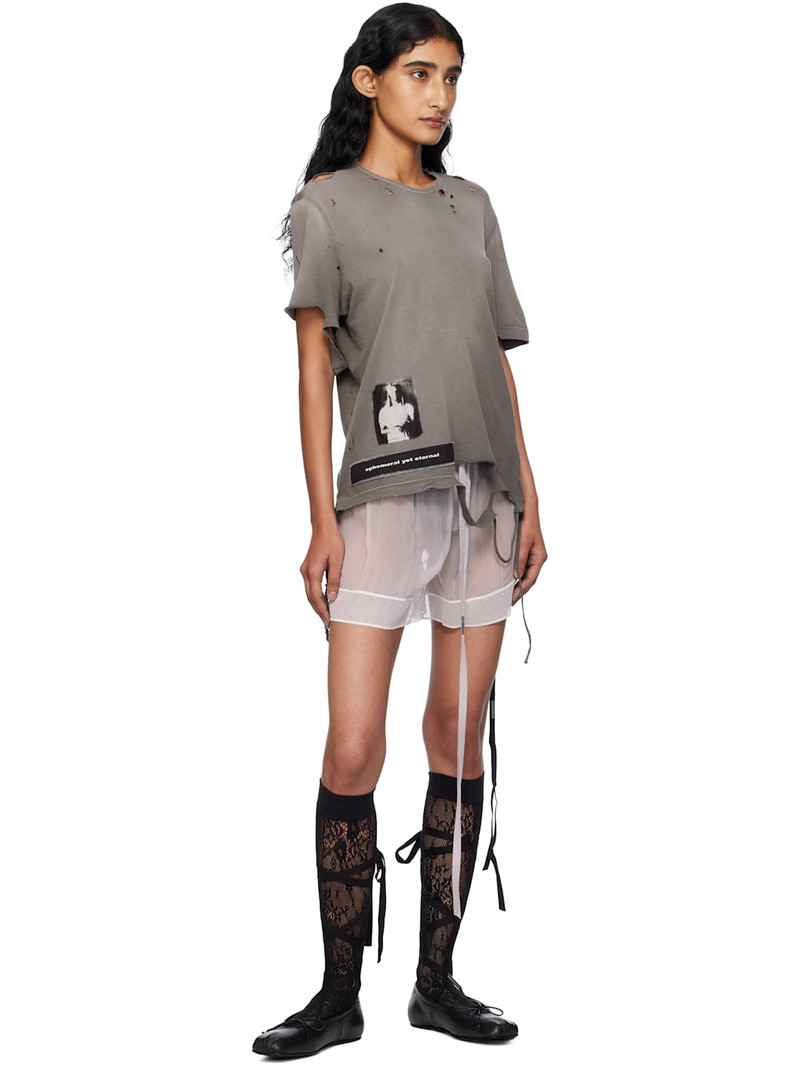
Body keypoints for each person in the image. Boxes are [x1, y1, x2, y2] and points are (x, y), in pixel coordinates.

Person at [253, 3, 547, 1058]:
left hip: (482, 496)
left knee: (456, 735)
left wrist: (531, 496)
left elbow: (493, 357)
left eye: (452, 76)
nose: (440, 95)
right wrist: (318, 519)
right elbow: (309, 370)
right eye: (420, 72)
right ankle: (338, 993)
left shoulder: (472, 207)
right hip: (379, 495)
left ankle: (437, 979)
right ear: (368, 80)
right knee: (353, 744)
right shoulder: (326, 206)